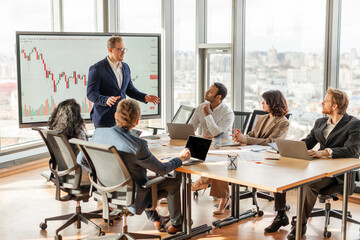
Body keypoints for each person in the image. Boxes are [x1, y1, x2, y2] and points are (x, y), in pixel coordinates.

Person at [78, 99, 191, 234]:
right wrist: (180, 158)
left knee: (139, 179)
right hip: (131, 195)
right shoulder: (138, 145)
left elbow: (81, 160)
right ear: (137, 121)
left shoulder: (99, 133)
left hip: (104, 190)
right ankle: (177, 224)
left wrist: (99, 175)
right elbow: (162, 169)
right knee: (173, 183)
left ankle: (156, 219)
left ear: (115, 115)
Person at [285, 88, 360, 240]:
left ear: (334, 106)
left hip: (340, 174)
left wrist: (324, 152)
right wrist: (290, 148)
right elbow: (308, 142)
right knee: (286, 174)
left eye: (325, 101)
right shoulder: (320, 122)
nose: (321, 103)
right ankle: (281, 215)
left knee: (308, 184)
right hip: (318, 168)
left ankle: (301, 224)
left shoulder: (354, 124)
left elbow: (352, 150)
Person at [87, 36, 160, 128]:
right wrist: (106, 100)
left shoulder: (125, 67)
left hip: (122, 119)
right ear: (111, 50)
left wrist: (144, 97)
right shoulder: (97, 68)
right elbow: (91, 93)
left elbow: (129, 89)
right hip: (104, 119)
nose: (123, 53)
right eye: (120, 49)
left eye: (124, 49)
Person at [189, 82, 234, 215]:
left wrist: (208, 115)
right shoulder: (201, 107)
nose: (207, 92)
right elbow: (192, 126)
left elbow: (217, 133)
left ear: (218, 97)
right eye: (208, 90)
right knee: (181, 156)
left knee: (217, 164)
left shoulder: (227, 113)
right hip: (204, 143)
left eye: (211, 92)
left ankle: (204, 181)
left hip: (222, 146)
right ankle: (171, 194)